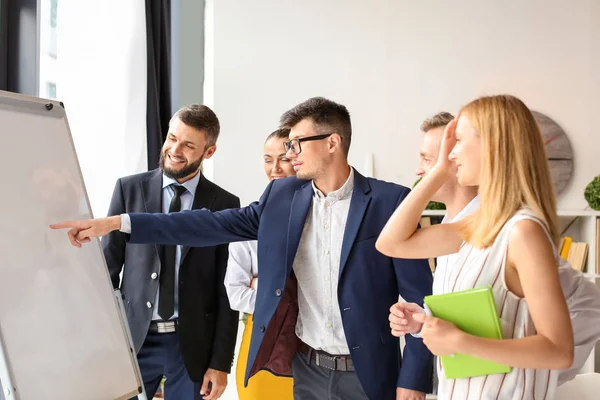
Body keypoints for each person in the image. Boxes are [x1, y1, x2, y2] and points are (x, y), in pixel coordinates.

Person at [51, 97, 434, 400]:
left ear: (332, 143)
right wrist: (120, 222)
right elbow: (206, 223)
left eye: (297, 143)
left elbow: (420, 298)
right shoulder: (283, 197)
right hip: (308, 369)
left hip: (371, 373)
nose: (290, 154)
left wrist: (413, 379)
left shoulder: (391, 202)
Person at [376, 95, 575, 399]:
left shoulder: (523, 231)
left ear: (493, 147)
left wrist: (459, 342)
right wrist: (439, 171)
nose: (452, 154)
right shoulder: (480, 225)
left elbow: (559, 351)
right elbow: (390, 243)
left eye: (458, 141)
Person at [101, 105, 240, 400]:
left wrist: (220, 364)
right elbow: (107, 273)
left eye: (188, 145)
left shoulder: (225, 203)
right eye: (172, 138)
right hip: (134, 339)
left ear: (209, 152)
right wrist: (106, 343)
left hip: (191, 346)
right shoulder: (129, 189)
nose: (175, 150)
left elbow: (226, 291)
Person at [224, 128, 295, 399]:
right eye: (268, 159)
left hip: (315, 350)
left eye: (284, 158)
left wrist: (264, 287)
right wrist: (284, 294)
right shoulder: (252, 222)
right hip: (262, 343)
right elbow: (235, 293)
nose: (275, 168)